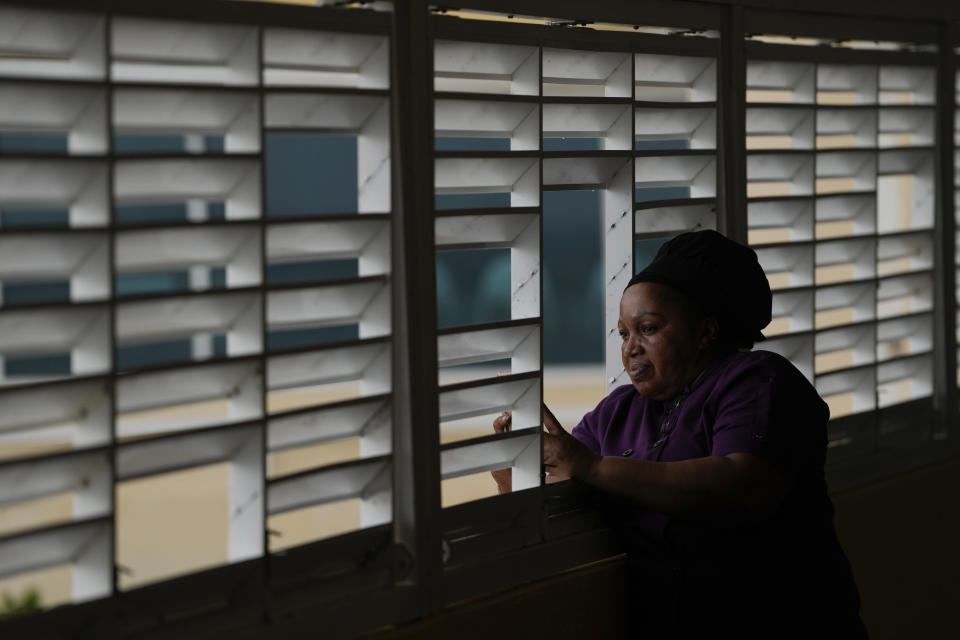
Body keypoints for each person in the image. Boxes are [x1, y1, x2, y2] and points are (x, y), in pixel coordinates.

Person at [492, 230, 867, 638]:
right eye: (624, 333)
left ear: (705, 332)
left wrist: (591, 466)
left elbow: (739, 485)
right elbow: (575, 487)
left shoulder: (760, 382)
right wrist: (520, 477)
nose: (630, 348)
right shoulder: (617, 412)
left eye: (648, 328)